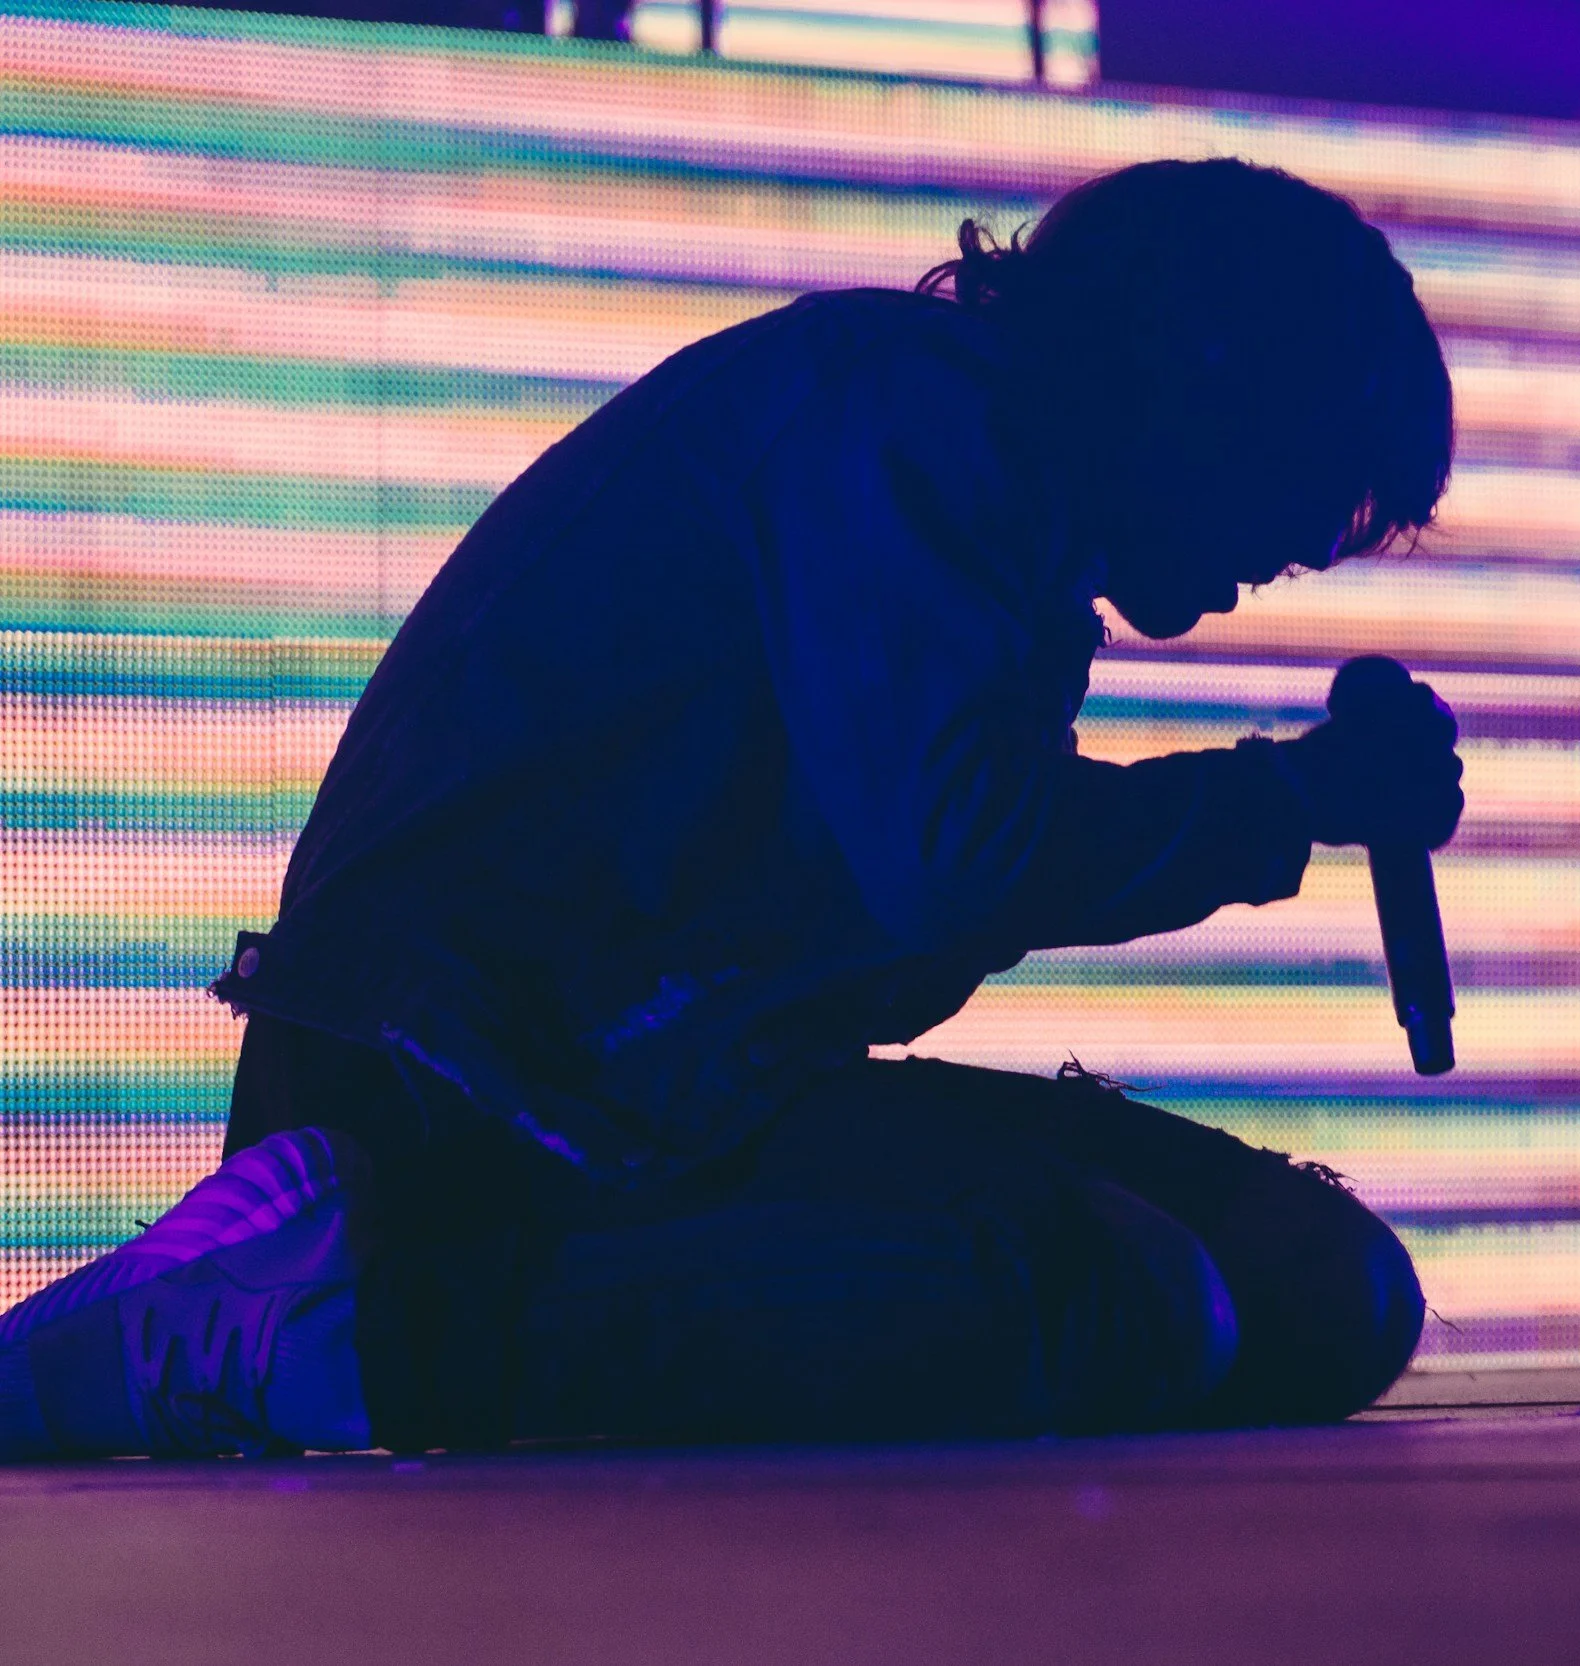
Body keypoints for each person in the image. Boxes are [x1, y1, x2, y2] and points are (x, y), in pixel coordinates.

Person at [0, 159, 1463, 1458]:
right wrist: (1293, 797)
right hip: (458, 1101)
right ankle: (326, 1318)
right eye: (1305, 494)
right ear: (1208, 381)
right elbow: (959, 853)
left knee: (1318, 1285)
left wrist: (1286, 799)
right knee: (1114, 1296)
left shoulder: (979, 480)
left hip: (671, 1088)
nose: (1290, 553)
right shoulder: (916, 417)